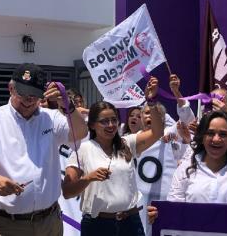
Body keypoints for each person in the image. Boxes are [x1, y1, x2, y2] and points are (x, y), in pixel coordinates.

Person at [0, 63, 88, 236]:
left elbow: (80, 132)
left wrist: (69, 107)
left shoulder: (51, 118)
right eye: (22, 93)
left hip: (49, 221)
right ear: (11, 88)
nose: (28, 100)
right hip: (7, 225)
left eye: (34, 95)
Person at [62, 77, 164, 236]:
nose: (110, 125)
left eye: (114, 120)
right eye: (104, 121)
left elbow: (158, 132)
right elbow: (67, 191)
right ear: (92, 125)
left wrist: (151, 102)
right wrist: (88, 178)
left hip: (131, 223)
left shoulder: (127, 143)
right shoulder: (83, 149)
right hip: (97, 225)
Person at [148, 110, 227, 224]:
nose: (216, 139)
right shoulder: (185, 169)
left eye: (223, 134)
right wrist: (161, 215)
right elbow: (174, 209)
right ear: (202, 137)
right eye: (210, 133)